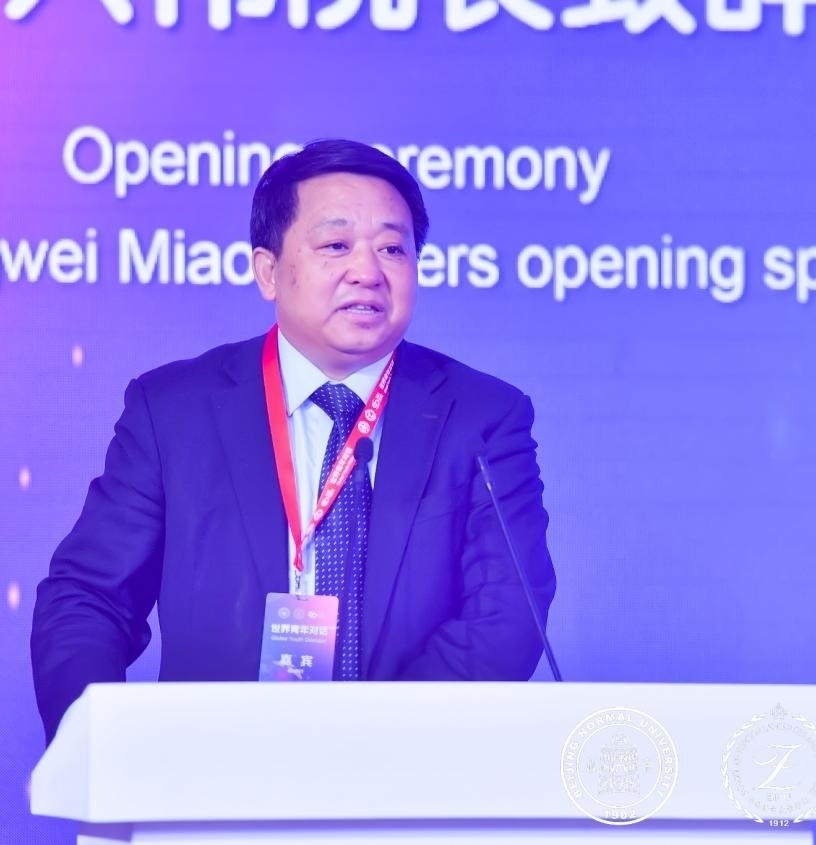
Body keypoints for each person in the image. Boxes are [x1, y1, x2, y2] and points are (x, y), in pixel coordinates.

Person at [31, 139, 556, 743]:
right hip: (213, 771)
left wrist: (371, 748)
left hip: (410, 769)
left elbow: (507, 615)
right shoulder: (174, 410)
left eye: (393, 248)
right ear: (268, 272)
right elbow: (90, 597)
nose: (368, 271)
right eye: (336, 245)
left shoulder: (482, 416)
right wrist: (96, 747)